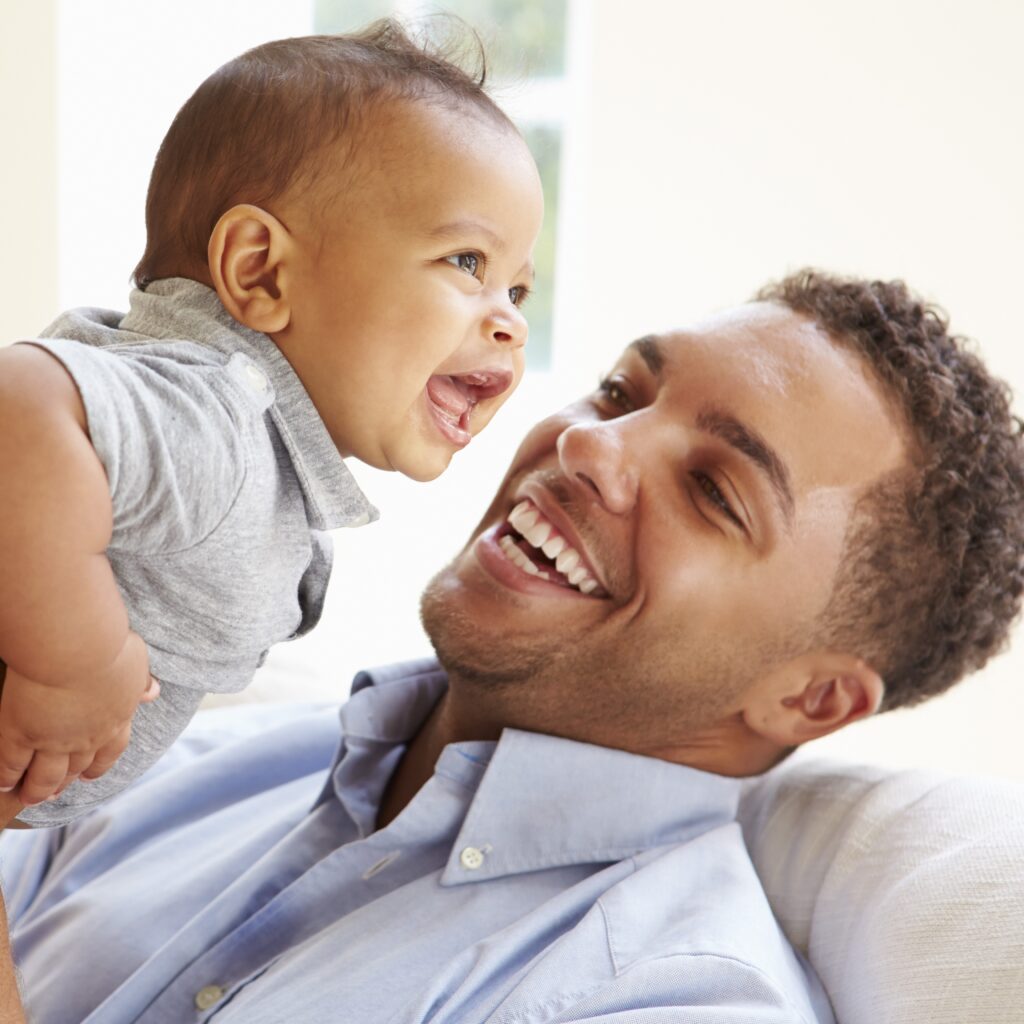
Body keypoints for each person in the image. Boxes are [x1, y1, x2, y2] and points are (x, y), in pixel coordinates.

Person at [0, 271, 1021, 1023]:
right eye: (622, 393)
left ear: (810, 700)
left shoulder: (668, 997)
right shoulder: (193, 745)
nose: (590, 443)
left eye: (715, 492)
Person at [0, 21, 543, 827]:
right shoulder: (222, 420)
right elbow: (17, 406)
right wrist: (75, 666)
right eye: (468, 263)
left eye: (518, 292)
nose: (509, 323)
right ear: (260, 270)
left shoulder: (254, 451)